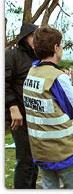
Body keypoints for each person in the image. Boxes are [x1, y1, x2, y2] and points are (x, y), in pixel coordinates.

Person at [23, 27, 73, 189]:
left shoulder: (32, 72)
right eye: (62, 46)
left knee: (49, 186)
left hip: (40, 149)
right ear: (56, 48)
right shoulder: (58, 78)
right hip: (62, 150)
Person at [5, 22, 39, 188]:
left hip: (36, 116)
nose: (37, 39)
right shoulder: (12, 56)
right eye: (34, 36)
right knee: (25, 160)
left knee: (36, 159)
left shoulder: (38, 57)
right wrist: (12, 107)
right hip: (18, 116)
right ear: (25, 38)